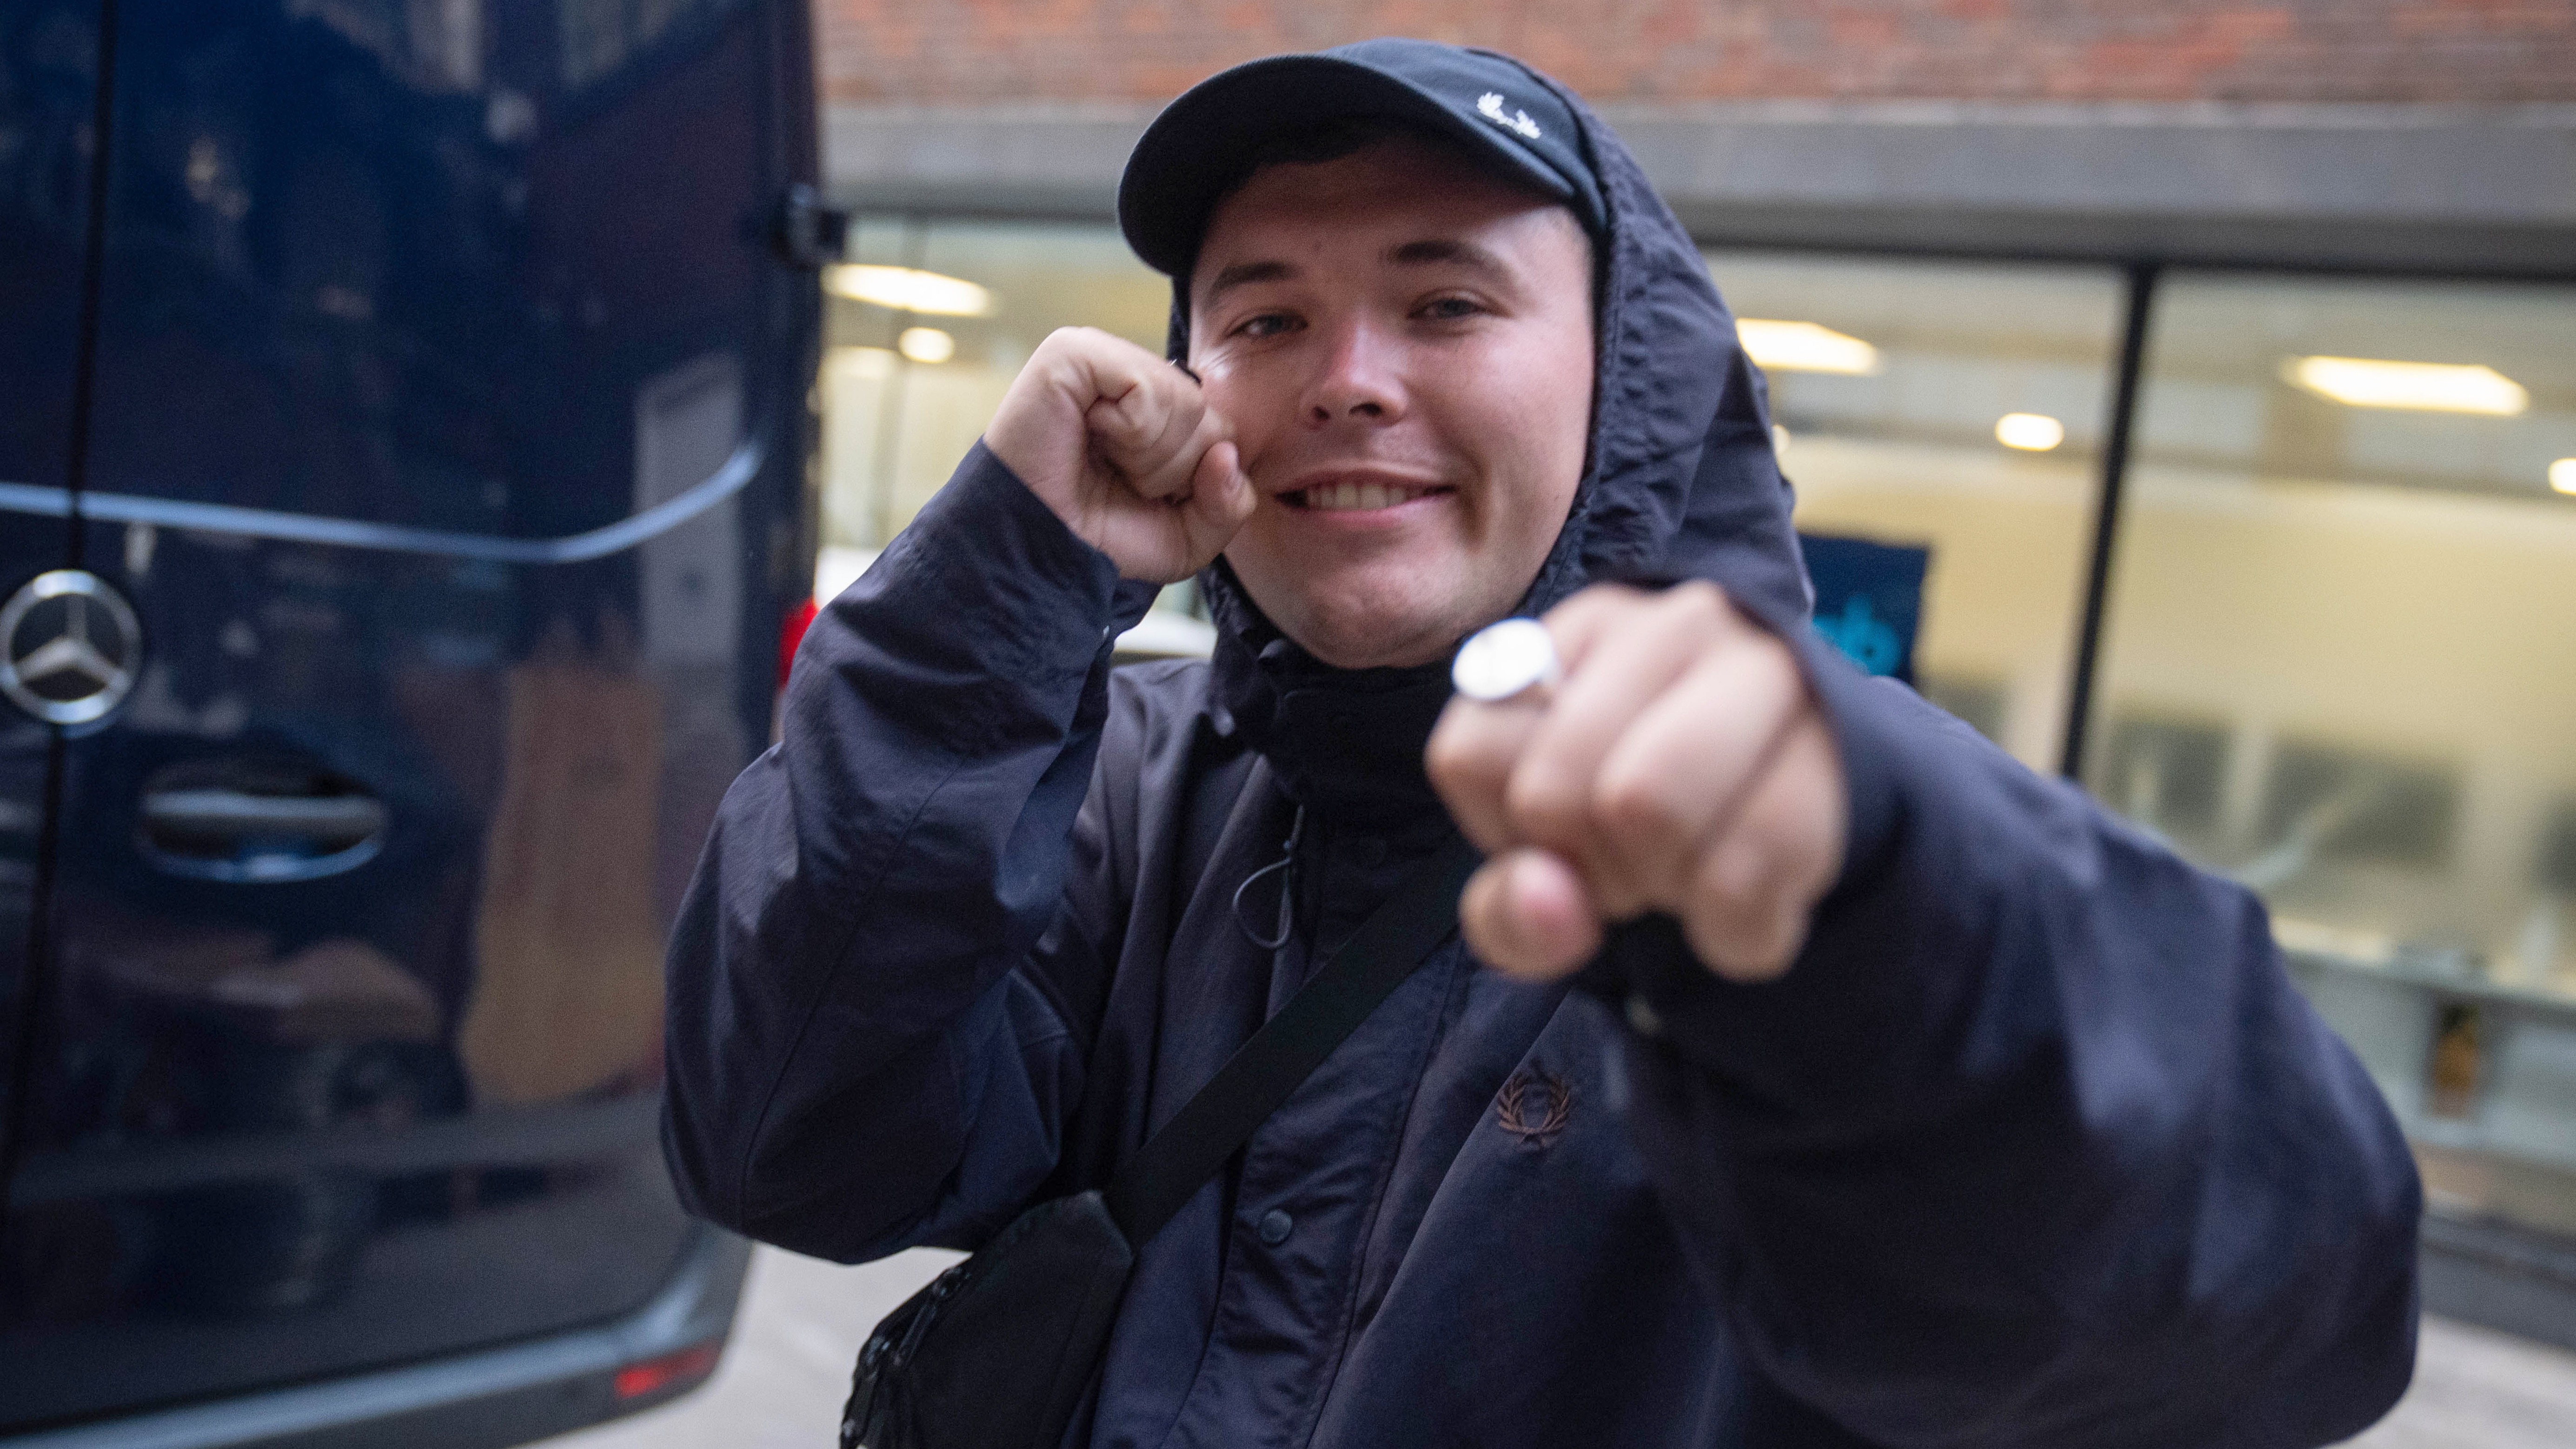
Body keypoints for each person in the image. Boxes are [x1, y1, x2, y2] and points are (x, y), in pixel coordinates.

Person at [663, 38, 2421, 1448]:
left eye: (1446, 305)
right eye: (1265, 317)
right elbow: (787, 1135)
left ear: (1620, 379)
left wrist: (1865, 917)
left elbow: (2266, 1324)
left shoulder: (1818, 823)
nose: (1346, 376)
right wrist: (993, 594)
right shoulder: (1125, 786)